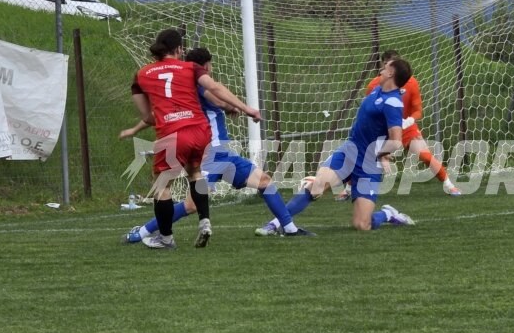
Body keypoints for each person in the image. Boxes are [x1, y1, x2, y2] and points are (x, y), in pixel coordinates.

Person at [121, 47, 311, 242]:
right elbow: (217, 98)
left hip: (224, 155)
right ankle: (142, 232)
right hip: (208, 155)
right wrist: (234, 107)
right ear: (206, 66)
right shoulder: (197, 85)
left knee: (264, 181)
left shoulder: (183, 90)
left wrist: (134, 129)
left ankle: (290, 228)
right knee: (191, 205)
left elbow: (155, 115)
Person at [129, 29, 261, 249]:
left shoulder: (142, 74)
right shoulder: (191, 67)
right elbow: (214, 87)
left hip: (172, 132)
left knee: (162, 185)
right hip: (200, 131)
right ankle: (204, 220)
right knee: (195, 173)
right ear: (179, 49)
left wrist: (160, 117)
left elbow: (147, 115)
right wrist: (247, 109)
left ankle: (166, 238)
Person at [257, 57, 417, 233]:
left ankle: (387, 214)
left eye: (385, 67)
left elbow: (396, 141)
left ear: (391, 73)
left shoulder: (393, 102)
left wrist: (380, 154)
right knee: (317, 186)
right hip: (350, 152)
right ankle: (275, 224)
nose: (381, 70)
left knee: (361, 225)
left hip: (369, 164)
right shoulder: (378, 89)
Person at [338, 50, 460, 199]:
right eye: (386, 64)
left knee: (425, 156)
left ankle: (449, 185)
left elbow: (417, 110)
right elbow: (369, 112)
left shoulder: (412, 83)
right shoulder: (374, 85)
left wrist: (408, 121)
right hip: (382, 130)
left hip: (406, 128)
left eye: (392, 64)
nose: (387, 68)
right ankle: (348, 188)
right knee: (362, 154)